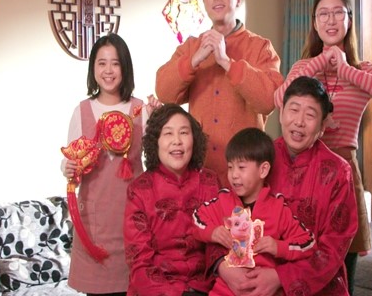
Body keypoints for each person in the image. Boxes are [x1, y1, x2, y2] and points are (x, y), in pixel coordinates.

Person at [273, 0, 372, 295]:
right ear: (314, 23)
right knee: (297, 257)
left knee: (342, 267)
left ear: (349, 20)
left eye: (337, 13)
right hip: (299, 175)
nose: (330, 20)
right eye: (323, 14)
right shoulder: (303, 68)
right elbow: (279, 99)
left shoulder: (362, 70)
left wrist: (344, 68)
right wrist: (320, 62)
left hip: (344, 172)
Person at [216, 76, 358, 295]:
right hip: (252, 275)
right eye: (294, 110)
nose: (299, 122)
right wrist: (222, 266)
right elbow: (222, 215)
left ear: (322, 126)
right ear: (281, 113)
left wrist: (281, 277)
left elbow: (334, 247)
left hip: (315, 285)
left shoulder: (338, 172)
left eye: (310, 115)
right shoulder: (256, 159)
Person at [155, 0, 284, 188]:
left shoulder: (260, 47)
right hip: (199, 175)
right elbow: (164, 93)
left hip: (246, 176)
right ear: (204, 1)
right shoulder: (192, 47)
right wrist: (194, 60)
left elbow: (268, 101)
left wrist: (226, 62)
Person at [61, 33, 159, 295]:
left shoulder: (141, 109)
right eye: (102, 63)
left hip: (134, 222)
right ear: (93, 68)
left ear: (125, 67)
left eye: (115, 63)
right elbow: (72, 162)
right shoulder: (81, 111)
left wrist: (159, 120)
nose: (108, 70)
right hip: (95, 226)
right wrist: (66, 168)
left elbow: (157, 163)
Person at [193, 127, 315, 296]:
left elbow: (308, 242)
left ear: (263, 170)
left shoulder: (279, 208)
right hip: (224, 290)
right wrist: (212, 232)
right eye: (230, 167)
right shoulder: (223, 200)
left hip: (262, 291)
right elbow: (196, 219)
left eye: (241, 167)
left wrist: (278, 246)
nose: (234, 175)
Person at [124, 103, 221, 295]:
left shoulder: (210, 182)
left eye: (184, 133)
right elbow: (139, 261)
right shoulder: (139, 190)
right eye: (168, 133)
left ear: (194, 139)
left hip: (206, 288)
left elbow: (220, 246)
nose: (177, 141)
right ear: (156, 141)